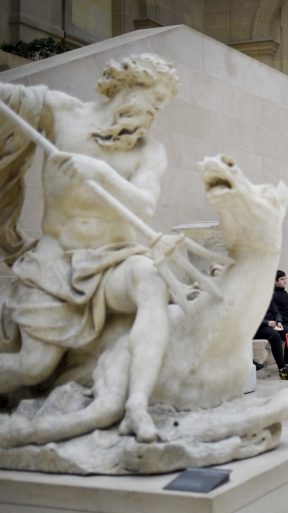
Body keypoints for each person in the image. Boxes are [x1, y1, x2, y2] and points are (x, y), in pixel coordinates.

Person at [0, 54, 181, 442]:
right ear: (128, 86)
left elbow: (145, 204)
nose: (155, 111)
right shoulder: (60, 111)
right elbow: (7, 101)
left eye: (161, 106)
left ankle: (136, 404)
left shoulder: (149, 151)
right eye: (154, 98)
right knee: (33, 367)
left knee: (151, 280)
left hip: (115, 258)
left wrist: (99, 172)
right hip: (54, 263)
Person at [253, 300, 288, 380]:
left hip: (272, 324)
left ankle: (287, 364)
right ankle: (282, 369)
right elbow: (251, 317)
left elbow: (277, 312)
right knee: (275, 336)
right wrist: (267, 323)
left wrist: (279, 321)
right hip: (258, 327)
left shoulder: (269, 298)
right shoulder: (253, 298)